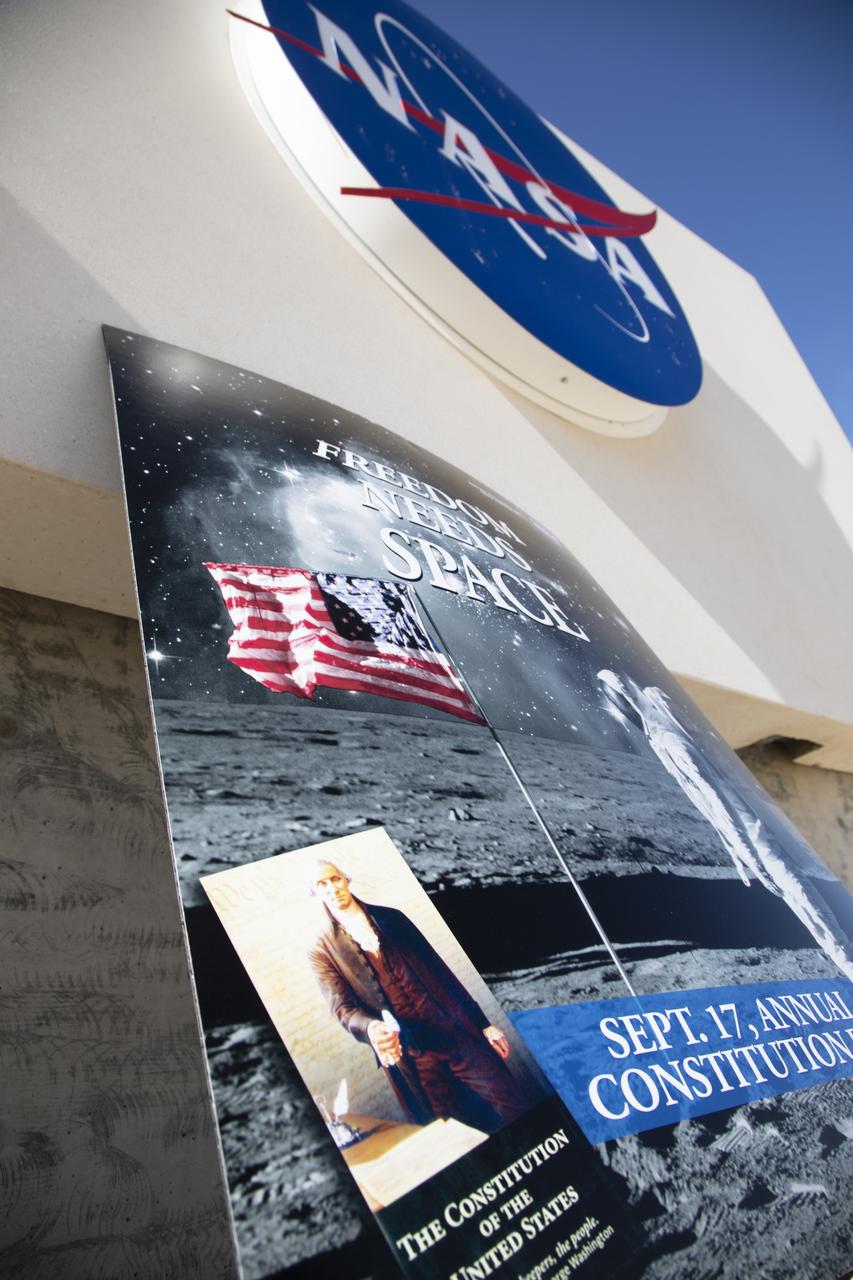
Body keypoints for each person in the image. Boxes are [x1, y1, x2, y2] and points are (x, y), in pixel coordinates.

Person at [598, 669, 853, 980]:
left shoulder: (671, 741)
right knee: (799, 888)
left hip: (749, 830)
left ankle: (842, 956)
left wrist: (746, 854)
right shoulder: (665, 725)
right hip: (752, 822)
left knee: (797, 891)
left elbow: (716, 800)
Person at [305, 859, 532, 1131]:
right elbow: (343, 1009)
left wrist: (484, 1025)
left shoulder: (392, 918)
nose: (332, 888)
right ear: (314, 893)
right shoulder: (321, 950)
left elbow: (441, 972)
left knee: (514, 1105)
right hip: (410, 1054)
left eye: (335, 879)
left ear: (346, 880)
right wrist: (372, 1028)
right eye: (322, 884)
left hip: (456, 1033)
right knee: (451, 1132)